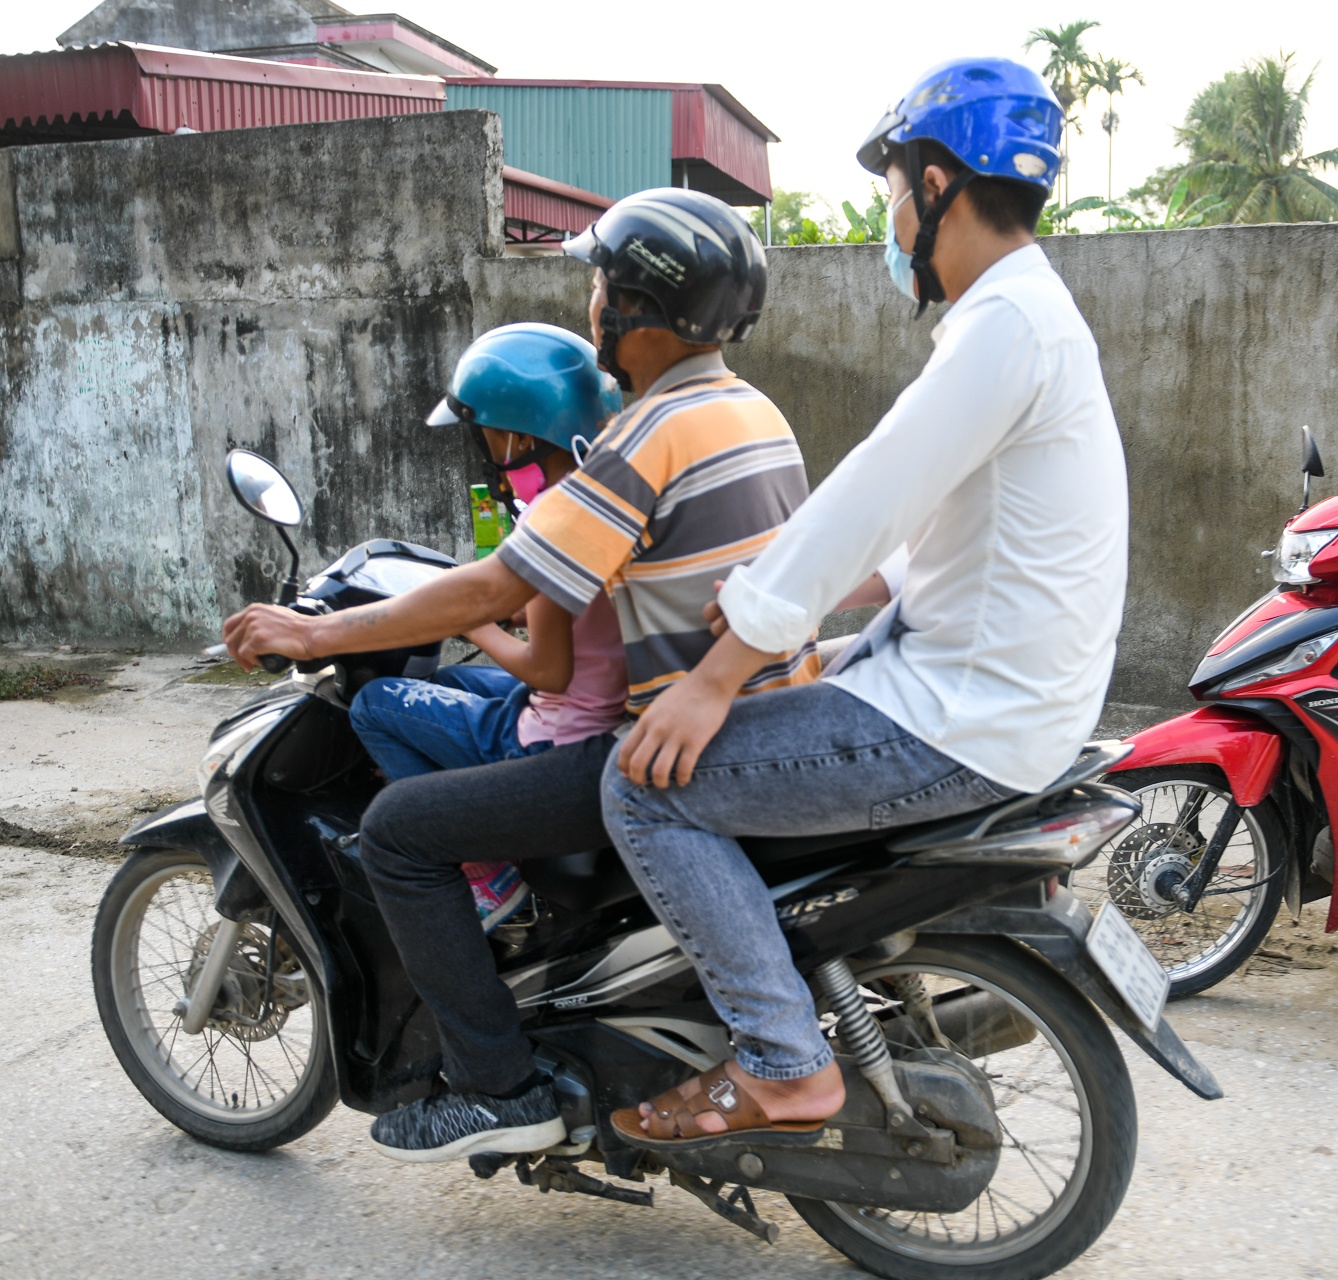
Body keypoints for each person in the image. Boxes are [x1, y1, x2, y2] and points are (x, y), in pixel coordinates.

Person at [223, 189, 820, 1161]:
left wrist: (313, 634)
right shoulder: (750, 411)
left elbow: (494, 589)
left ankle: (499, 1081)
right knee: (475, 715)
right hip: (753, 717)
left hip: (669, 748)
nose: (592, 302)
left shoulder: (646, 435)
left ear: (629, 304)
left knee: (395, 831)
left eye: (599, 280)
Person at [598, 56, 1127, 1147]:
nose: (889, 219)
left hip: (964, 711)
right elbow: (923, 533)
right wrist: (793, 608)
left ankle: (784, 1059)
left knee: (644, 786)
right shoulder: (1026, 319)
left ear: (935, 185)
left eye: (893, 189)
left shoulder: (1006, 327)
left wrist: (715, 676)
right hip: (982, 685)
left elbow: (865, 497)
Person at [347, 322, 628, 933]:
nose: (487, 452)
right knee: (457, 682)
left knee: (374, 704)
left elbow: (546, 669)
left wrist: (474, 621)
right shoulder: (608, 495)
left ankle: (484, 872)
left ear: (517, 436)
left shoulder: (555, 517)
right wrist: (512, 609)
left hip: (552, 739)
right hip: (601, 709)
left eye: (488, 436)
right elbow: (581, 610)